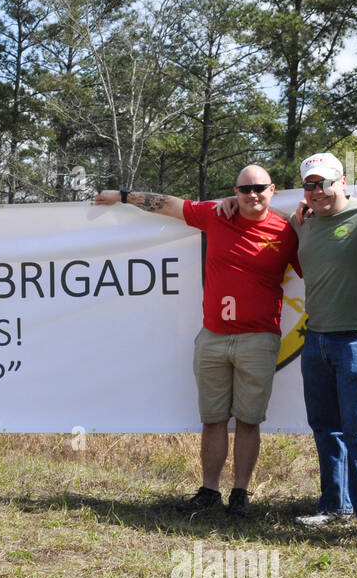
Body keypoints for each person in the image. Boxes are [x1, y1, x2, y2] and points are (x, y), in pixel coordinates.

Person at [96, 166, 300, 517]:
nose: (252, 195)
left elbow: (317, 270)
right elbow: (169, 205)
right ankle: (209, 490)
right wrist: (124, 196)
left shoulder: (287, 232)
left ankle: (241, 493)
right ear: (234, 191)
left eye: (260, 188)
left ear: (273, 190)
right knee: (213, 418)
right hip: (213, 337)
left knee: (249, 421)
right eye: (244, 189)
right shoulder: (216, 215)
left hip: (259, 337)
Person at [285, 153, 357, 542]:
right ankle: (334, 506)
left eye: (325, 183)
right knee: (327, 428)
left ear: (342, 182)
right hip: (316, 337)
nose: (318, 191)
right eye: (310, 185)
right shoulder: (305, 224)